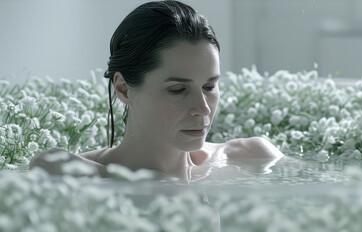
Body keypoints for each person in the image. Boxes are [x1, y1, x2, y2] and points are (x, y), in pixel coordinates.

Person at [30, 0, 283, 180]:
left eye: (209, 86)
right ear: (124, 89)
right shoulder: (65, 171)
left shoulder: (253, 157)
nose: (203, 108)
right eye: (177, 89)